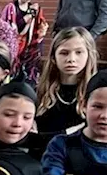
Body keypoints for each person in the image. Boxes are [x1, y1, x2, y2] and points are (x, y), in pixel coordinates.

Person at [32, 27, 97, 158]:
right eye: (64, 53)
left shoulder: (95, 95)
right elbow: (32, 139)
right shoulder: (38, 93)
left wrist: (49, 136)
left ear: (89, 55)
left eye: (79, 52)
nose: (71, 59)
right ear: (54, 57)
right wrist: (69, 132)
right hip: (44, 159)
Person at [0, 0, 48, 84]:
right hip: (14, 50)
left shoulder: (35, 9)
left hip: (29, 51)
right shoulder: (11, 8)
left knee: (28, 80)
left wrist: (42, 29)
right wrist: (26, 18)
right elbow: (9, 29)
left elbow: (38, 30)